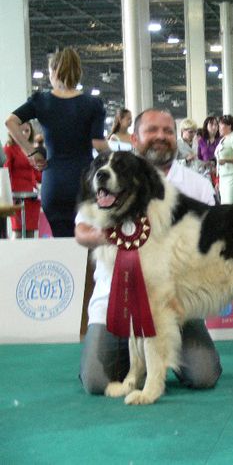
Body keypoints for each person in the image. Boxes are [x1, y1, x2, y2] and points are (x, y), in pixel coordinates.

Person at [75, 107, 221, 394]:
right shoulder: (105, 178)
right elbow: (81, 232)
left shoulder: (198, 185)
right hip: (113, 305)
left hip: (180, 302)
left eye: (168, 131)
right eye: (152, 130)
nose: (161, 137)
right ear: (134, 138)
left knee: (204, 376)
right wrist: (114, 235)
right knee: (96, 381)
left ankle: (151, 361)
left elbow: (211, 241)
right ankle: (134, 361)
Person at [5, 47, 108, 237]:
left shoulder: (41, 101)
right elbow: (99, 145)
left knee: (62, 243)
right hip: (84, 181)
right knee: (88, 243)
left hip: (54, 182)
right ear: (78, 72)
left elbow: (10, 121)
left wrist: (31, 152)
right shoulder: (92, 104)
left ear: (53, 71)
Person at [3, 122, 42, 238]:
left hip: (33, 197)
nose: (24, 134)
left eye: (27, 131)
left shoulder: (31, 150)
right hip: (17, 197)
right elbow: (6, 172)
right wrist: (7, 195)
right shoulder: (9, 149)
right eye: (21, 131)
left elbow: (38, 173)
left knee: (31, 232)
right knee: (18, 231)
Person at [215, 115, 233, 204]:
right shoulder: (222, 140)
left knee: (231, 206)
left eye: (220, 125)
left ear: (229, 126)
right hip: (223, 177)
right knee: (224, 206)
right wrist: (218, 180)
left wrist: (226, 160)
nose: (218, 127)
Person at [197, 115, 220, 186]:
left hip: (219, 172)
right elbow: (198, 158)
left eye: (216, 124)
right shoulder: (201, 141)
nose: (214, 127)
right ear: (206, 126)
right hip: (204, 173)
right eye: (211, 124)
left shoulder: (221, 140)